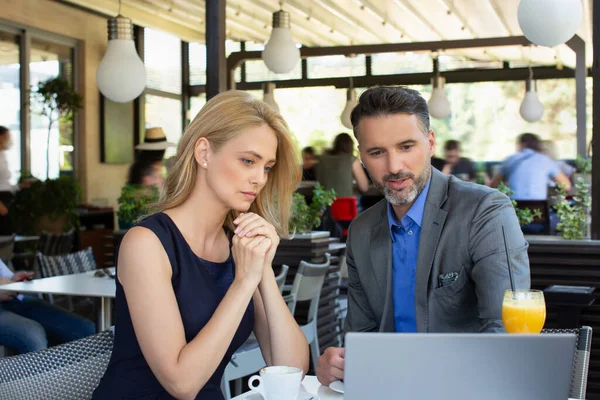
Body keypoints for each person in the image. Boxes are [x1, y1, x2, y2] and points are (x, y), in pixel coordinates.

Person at [93, 91, 308, 400]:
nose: (259, 179)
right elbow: (182, 384)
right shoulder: (147, 243)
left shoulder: (238, 244)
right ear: (204, 152)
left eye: (267, 167)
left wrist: (261, 271)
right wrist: (244, 281)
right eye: (248, 161)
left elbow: (292, 370)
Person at [316, 86, 530, 385]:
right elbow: (361, 337)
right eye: (377, 152)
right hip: (389, 387)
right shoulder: (362, 230)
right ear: (361, 157)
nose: (394, 167)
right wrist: (338, 365)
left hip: (469, 387)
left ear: (430, 143)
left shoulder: (485, 211)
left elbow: (509, 330)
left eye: (406, 147)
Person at [0, 259, 95, 354]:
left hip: (13, 298)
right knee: (33, 335)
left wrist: (13, 280)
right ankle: (34, 367)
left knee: (85, 329)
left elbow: (6, 277)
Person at [490, 133, 571, 199]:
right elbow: (566, 186)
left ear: (521, 145)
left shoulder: (510, 159)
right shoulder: (545, 160)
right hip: (539, 211)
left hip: (515, 210)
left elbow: (493, 186)